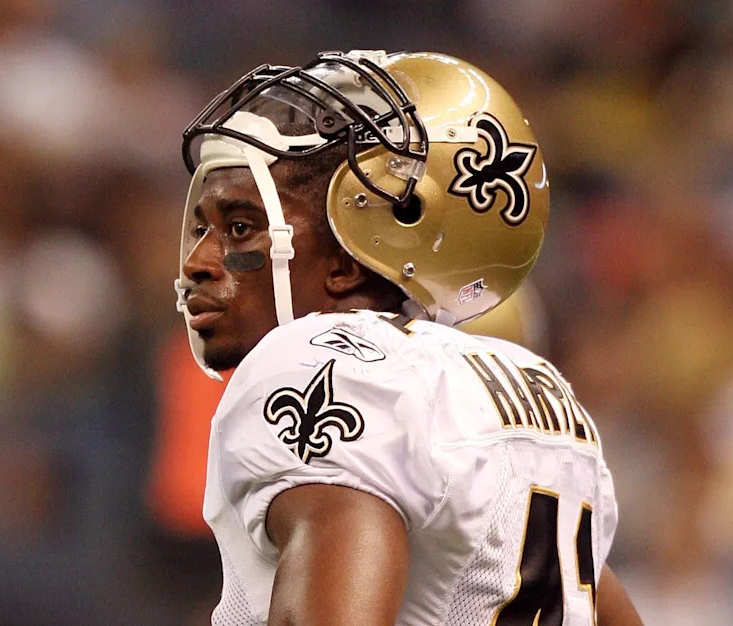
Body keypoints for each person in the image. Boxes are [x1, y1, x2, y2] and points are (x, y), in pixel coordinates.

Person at [175, 50, 642, 625]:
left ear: (345, 265)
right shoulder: (536, 388)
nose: (198, 260)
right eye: (203, 228)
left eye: (240, 227)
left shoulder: (318, 365)